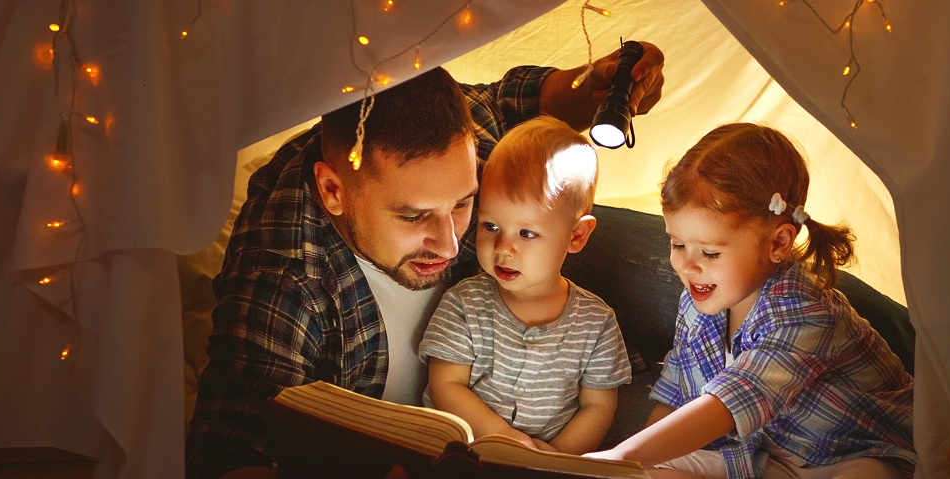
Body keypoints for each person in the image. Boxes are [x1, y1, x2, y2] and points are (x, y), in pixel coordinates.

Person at [187, 42, 665, 479]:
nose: (451, 244)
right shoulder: (286, 270)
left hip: (550, 268)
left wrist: (596, 81)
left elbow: (512, 100)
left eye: (463, 204)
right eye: (414, 216)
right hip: (449, 438)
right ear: (334, 191)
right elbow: (231, 448)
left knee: (701, 277)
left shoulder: (455, 131)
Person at [584, 124, 916, 479]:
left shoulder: (805, 313)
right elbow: (676, 395)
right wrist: (629, 463)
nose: (686, 265)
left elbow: (730, 404)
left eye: (710, 253)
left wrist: (621, 456)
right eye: (677, 244)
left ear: (777, 244)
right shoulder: (695, 303)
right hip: (764, 459)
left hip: (856, 455)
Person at [419, 116, 633, 455]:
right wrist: (506, 440)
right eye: (490, 226)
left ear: (576, 235)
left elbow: (598, 406)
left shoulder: (597, 322)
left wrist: (554, 458)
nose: (503, 247)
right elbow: (446, 384)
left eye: (527, 233)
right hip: (459, 453)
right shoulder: (464, 303)